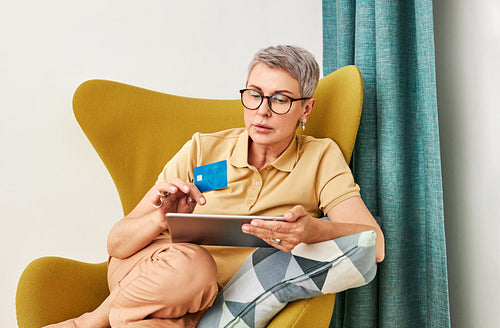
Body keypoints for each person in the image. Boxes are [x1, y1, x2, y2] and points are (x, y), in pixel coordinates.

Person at [45, 45, 384, 328]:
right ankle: (89, 322)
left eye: (280, 100)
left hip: (201, 308)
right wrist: (159, 221)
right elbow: (116, 243)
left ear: (305, 108)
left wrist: (312, 231)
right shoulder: (201, 149)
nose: (262, 112)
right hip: (148, 273)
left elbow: (374, 243)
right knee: (194, 266)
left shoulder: (321, 157)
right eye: (254, 95)